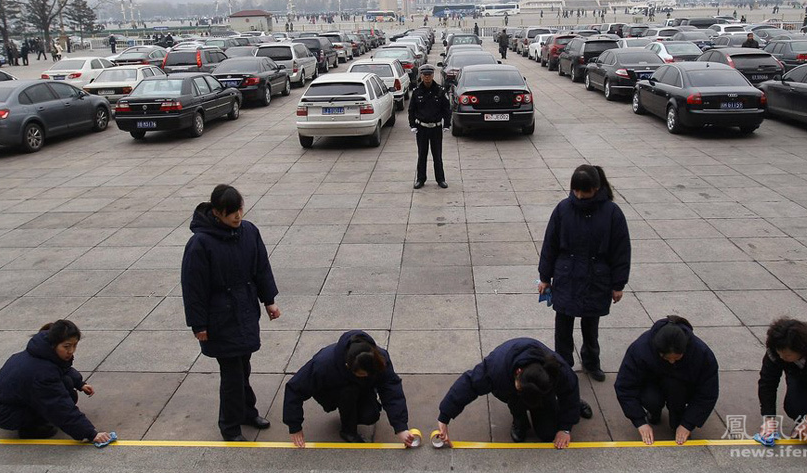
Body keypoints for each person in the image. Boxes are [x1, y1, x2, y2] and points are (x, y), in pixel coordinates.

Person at [182, 184, 281, 442]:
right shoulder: (200, 244)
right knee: (232, 375)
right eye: (231, 213)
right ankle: (230, 427)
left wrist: (268, 300)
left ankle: (248, 412)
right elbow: (193, 288)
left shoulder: (249, 232)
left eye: (239, 209)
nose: (237, 216)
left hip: (245, 311)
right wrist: (198, 325)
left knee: (243, 367)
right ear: (216, 213)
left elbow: (261, 267)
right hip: (220, 319)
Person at [538, 164, 632, 383]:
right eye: (576, 191)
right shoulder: (562, 209)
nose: (579, 196)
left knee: (591, 326)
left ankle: (591, 362)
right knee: (563, 326)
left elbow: (621, 251)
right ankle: (562, 365)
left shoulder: (612, 213)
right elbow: (549, 245)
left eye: (585, 191)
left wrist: (618, 284)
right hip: (566, 276)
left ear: (596, 188)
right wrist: (545, 277)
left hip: (596, 278)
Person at [437, 338, 593, 448]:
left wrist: (565, 428)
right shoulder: (495, 368)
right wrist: (445, 416)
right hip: (509, 390)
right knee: (516, 401)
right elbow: (470, 384)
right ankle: (520, 421)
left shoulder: (555, 368)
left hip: (540, 392)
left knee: (548, 434)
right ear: (518, 372)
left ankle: (571, 406)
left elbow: (570, 388)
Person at [0, 320, 112, 444]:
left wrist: (80, 384)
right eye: (67, 346)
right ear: (53, 344)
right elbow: (59, 406)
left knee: (68, 388)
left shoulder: (41, 352)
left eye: (74, 345)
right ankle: (29, 430)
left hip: (4, 397)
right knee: (58, 403)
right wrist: (91, 433)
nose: (71, 351)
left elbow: (62, 368)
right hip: (5, 413)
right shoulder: (41, 373)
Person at [283, 330, 413, 447]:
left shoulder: (379, 358)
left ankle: (359, 403)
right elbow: (294, 389)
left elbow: (391, 389)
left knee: (370, 416)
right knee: (348, 392)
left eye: (369, 374)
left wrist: (401, 427)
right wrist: (294, 426)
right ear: (348, 366)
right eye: (362, 374)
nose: (366, 375)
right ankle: (348, 431)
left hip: (359, 387)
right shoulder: (323, 365)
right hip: (332, 391)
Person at [614, 316, 719, 446]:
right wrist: (639, 421)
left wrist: (687, 424)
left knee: (676, 390)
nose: (672, 362)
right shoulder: (641, 349)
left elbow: (708, 392)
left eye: (677, 358)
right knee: (652, 399)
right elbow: (625, 386)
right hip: (652, 385)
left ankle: (678, 420)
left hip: (683, 387)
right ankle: (654, 411)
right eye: (667, 358)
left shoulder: (702, 353)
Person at [408, 64, 451, 189]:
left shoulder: (440, 90)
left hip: (436, 128)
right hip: (421, 128)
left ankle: (440, 179)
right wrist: (412, 125)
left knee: (437, 155)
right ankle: (420, 179)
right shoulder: (417, 92)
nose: (427, 77)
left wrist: (447, 124)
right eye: (425, 75)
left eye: (429, 75)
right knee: (422, 154)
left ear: (433, 75)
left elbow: (446, 109)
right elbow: (412, 110)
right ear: (421, 76)